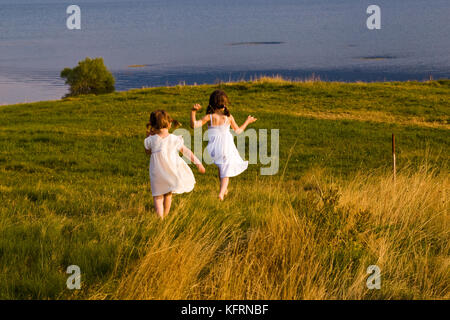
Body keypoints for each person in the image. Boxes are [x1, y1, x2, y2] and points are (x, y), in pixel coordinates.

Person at [190, 89, 257, 201]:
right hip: (226, 147)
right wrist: (247, 122)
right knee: (226, 170)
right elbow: (238, 131)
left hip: (213, 148)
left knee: (222, 168)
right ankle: (221, 193)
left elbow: (194, 125)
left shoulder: (209, 117)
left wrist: (193, 112)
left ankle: (224, 189)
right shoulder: (229, 117)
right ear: (225, 104)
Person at [144, 110, 205, 218]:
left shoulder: (150, 140)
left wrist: (148, 136)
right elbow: (186, 152)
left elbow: (148, 152)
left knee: (157, 196)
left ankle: (160, 218)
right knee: (168, 194)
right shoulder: (175, 139)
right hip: (171, 172)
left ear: (153, 125)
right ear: (169, 124)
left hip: (156, 172)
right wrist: (198, 163)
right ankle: (166, 215)